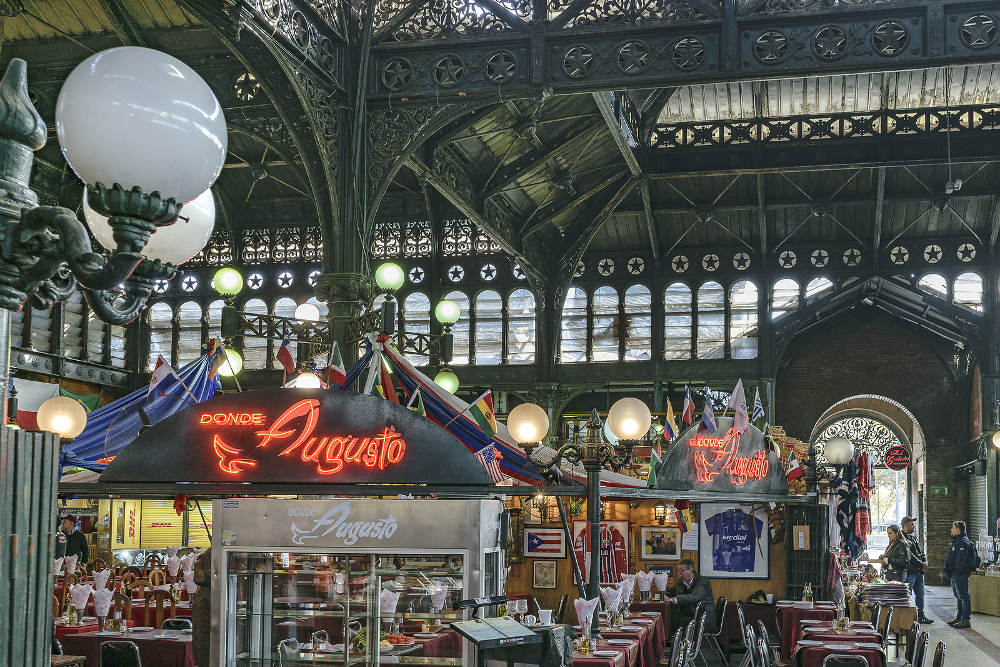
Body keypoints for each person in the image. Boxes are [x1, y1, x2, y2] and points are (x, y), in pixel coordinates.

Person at [944, 520, 979, 629]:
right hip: (955, 574)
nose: (951, 529)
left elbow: (961, 560)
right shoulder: (957, 541)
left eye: (953, 528)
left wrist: (955, 571)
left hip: (960, 574)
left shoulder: (963, 542)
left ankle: (965, 619)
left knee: (964, 596)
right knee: (959, 596)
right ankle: (959, 617)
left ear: (958, 529)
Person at [665, 558, 715, 632]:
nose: (679, 573)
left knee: (673, 621)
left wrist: (674, 599)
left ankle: (674, 642)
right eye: (678, 571)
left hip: (702, 619)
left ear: (690, 570)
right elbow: (670, 591)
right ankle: (672, 642)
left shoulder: (702, 581)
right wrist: (662, 590)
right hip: (690, 616)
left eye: (682, 571)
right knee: (669, 618)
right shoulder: (681, 582)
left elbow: (695, 597)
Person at [901, 516, 933, 624]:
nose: (914, 526)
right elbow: (909, 555)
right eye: (912, 524)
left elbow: (920, 552)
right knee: (906, 596)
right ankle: (905, 617)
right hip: (910, 572)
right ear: (906, 525)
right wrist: (921, 563)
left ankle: (921, 616)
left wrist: (924, 560)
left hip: (918, 572)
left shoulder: (912, 538)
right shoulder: (902, 539)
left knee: (920, 595)